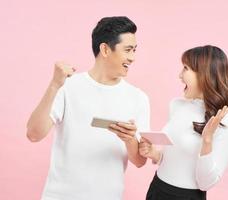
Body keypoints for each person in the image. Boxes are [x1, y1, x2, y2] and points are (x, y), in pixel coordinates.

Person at [26, 16, 150, 200]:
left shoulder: (138, 98)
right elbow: (33, 134)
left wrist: (129, 139)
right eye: (128, 50)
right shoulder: (67, 86)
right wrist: (54, 85)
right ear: (105, 49)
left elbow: (140, 161)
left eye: (134, 50)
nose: (132, 58)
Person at [139, 45, 228, 200]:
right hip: (157, 189)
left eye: (185, 68)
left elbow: (205, 184)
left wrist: (207, 140)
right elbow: (177, 157)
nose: (180, 75)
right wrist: (154, 154)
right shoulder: (177, 105)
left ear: (204, 74)